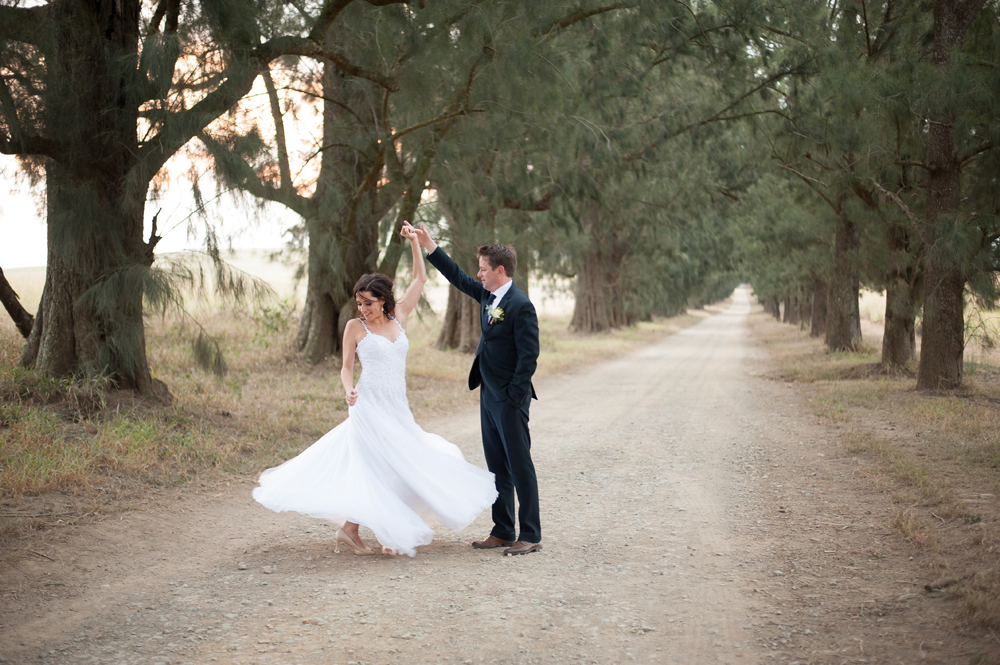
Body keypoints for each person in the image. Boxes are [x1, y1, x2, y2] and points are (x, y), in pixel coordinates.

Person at [252, 226, 497, 557]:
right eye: (359, 302)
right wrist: (347, 390)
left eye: (368, 303)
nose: (362, 308)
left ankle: (360, 529)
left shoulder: (400, 316)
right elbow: (346, 367)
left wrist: (414, 243)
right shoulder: (355, 328)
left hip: (396, 405)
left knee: (401, 463)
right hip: (367, 404)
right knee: (377, 466)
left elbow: (419, 280)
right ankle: (371, 530)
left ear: (384, 301)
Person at [406, 221, 542, 556]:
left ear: (499, 270)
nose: (478, 274)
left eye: (482, 269)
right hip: (488, 395)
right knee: (497, 467)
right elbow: (457, 277)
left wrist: (513, 396)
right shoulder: (488, 295)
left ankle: (532, 533)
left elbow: (529, 357)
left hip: (509, 399)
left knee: (519, 465)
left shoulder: (520, 305)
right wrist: (430, 245)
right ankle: (503, 529)